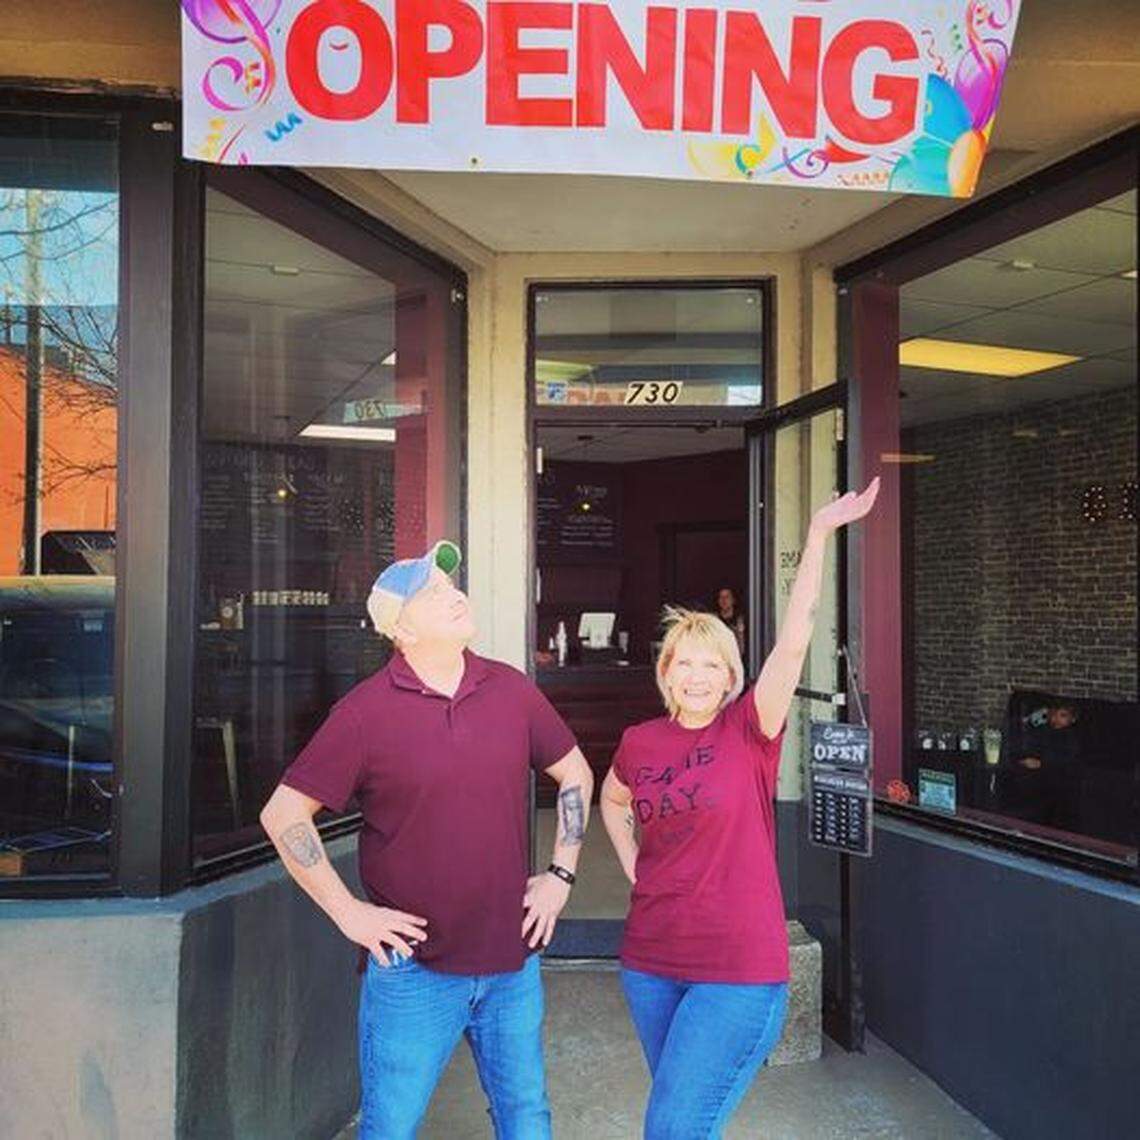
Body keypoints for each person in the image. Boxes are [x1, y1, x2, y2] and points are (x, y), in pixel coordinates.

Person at [259, 540, 594, 1140]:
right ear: (401, 629)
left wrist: (560, 875)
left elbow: (575, 772)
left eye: (452, 585)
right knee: (391, 1127)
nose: (455, 594)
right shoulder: (363, 714)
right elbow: (283, 814)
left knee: (527, 1117)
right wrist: (349, 913)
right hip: (413, 971)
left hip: (511, 959)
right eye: (434, 593)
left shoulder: (511, 690)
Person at [600, 479, 880, 1139]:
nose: (696, 676)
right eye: (683, 663)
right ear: (665, 672)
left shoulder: (750, 730)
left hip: (738, 969)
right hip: (650, 962)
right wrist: (633, 864)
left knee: (673, 1126)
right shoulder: (641, 742)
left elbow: (795, 640)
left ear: (731, 677)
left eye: (712, 665)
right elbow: (612, 799)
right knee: (686, 1121)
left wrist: (818, 534)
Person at [714, 585, 746, 656]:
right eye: (721, 597)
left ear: (733, 600)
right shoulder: (714, 620)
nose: (724, 600)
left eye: (727, 597)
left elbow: (742, 649)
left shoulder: (739, 621)